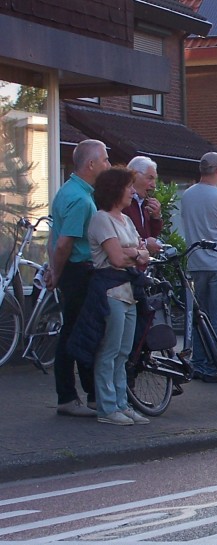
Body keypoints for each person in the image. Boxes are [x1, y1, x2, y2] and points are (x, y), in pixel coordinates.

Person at [78, 167, 152, 425]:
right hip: (110, 292)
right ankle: (107, 407)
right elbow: (117, 259)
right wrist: (135, 254)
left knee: (124, 351)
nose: (132, 191)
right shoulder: (102, 219)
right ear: (115, 189)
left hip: (130, 292)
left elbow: (144, 254)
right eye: (128, 187)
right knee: (109, 350)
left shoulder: (126, 220)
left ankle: (122, 403)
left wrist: (134, 253)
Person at [47, 139, 110, 417]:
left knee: (80, 331)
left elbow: (54, 237)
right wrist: (56, 273)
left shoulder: (69, 191)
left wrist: (54, 269)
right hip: (78, 271)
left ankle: (91, 395)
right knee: (75, 333)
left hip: (75, 270)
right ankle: (68, 397)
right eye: (105, 159)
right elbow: (64, 243)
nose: (108, 164)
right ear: (91, 164)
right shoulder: (81, 200)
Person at [178, 152, 217, 382]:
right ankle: (214, 366)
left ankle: (198, 363)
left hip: (196, 262)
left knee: (200, 315)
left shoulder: (187, 195)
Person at [123, 156, 163, 241]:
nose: (154, 185)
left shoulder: (144, 204)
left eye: (155, 180)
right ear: (134, 175)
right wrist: (146, 243)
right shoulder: (121, 203)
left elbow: (151, 238)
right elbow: (123, 239)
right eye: (150, 178)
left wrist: (156, 218)